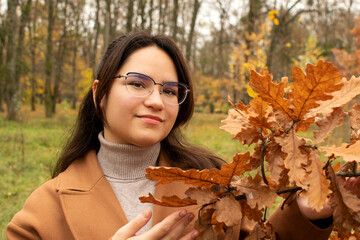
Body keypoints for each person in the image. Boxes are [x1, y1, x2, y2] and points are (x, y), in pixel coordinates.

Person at [5, 31, 358, 240]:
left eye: (171, 90)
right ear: (100, 93)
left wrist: (308, 214)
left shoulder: (214, 181)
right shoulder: (42, 211)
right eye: (137, 84)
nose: (157, 101)